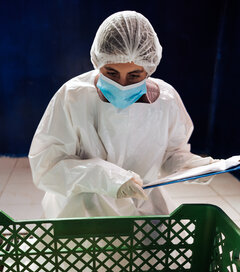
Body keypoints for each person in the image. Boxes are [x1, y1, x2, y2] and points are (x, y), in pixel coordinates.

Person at [29, 10, 216, 219]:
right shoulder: (73, 97)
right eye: (111, 73)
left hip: (144, 208)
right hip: (83, 213)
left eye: (134, 75)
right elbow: (48, 167)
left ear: (149, 69)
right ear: (98, 62)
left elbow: (170, 154)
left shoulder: (166, 101)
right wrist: (107, 178)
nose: (122, 84)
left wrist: (190, 165)